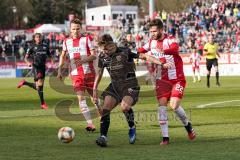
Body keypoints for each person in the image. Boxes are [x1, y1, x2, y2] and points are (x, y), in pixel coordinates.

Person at [93, 34, 163, 147]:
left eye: (106, 49)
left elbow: (144, 56)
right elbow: (99, 73)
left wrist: (160, 62)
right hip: (115, 86)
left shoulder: (125, 51)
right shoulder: (102, 57)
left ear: (112, 45)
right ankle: (103, 137)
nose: (104, 51)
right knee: (105, 109)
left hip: (130, 84)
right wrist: (94, 89)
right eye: (102, 49)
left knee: (124, 107)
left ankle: (132, 127)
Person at [138, 19, 196, 145]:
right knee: (162, 107)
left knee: (174, 106)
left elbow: (175, 49)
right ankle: (165, 138)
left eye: (154, 31)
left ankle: (188, 126)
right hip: (161, 80)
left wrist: (163, 51)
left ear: (161, 29)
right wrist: (141, 55)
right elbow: (140, 51)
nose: (152, 33)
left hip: (177, 79)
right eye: (151, 31)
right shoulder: (151, 42)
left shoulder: (170, 39)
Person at [57, 18, 98, 132]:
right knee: (80, 98)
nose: (75, 31)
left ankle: (102, 114)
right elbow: (63, 55)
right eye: (73, 29)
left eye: (77, 29)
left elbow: (94, 55)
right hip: (75, 74)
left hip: (89, 73)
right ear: (70, 29)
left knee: (94, 99)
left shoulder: (87, 39)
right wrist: (60, 70)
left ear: (81, 28)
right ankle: (90, 124)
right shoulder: (66, 41)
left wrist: (83, 60)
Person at [17, 33, 53, 109]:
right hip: (36, 67)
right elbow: (26, 58)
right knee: (40, 84)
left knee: (39, 87)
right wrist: (28, 63)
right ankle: (43, 104)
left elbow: (50, 55)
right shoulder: (32, 47)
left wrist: (52, 61)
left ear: (42, 37)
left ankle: (24, 82)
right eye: (37, 37)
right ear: (35, 38)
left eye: (40, 37)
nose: (39, 38)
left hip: (43, 67)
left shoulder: (45, 46)